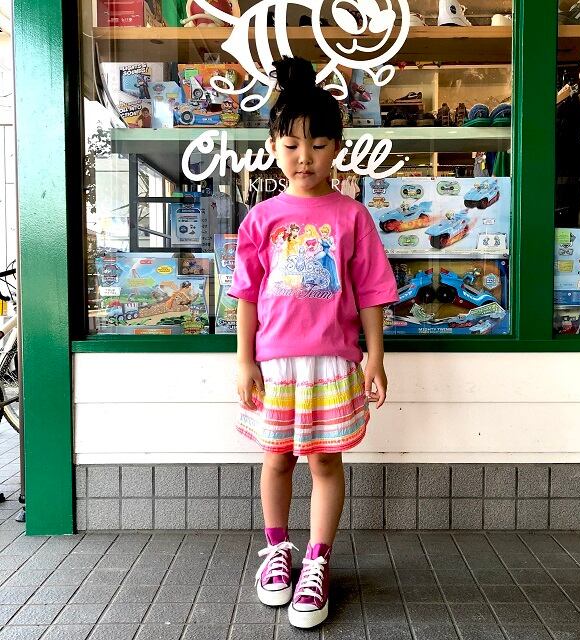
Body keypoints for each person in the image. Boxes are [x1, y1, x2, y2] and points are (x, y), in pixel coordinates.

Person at [227, 56, 399, 629]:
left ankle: (318, 561)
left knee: (325, 460)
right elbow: (246, 295)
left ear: (338, 149)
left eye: (320, 145)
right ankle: (277, 550)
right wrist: (244, 360)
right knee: (276, 459)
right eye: (293, 145)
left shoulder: (353, 217)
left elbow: (372, 293)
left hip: (333, 361)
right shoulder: (260, 219)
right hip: (274, 365)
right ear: (273, 147)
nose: (306, 157)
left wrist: (375, 358)